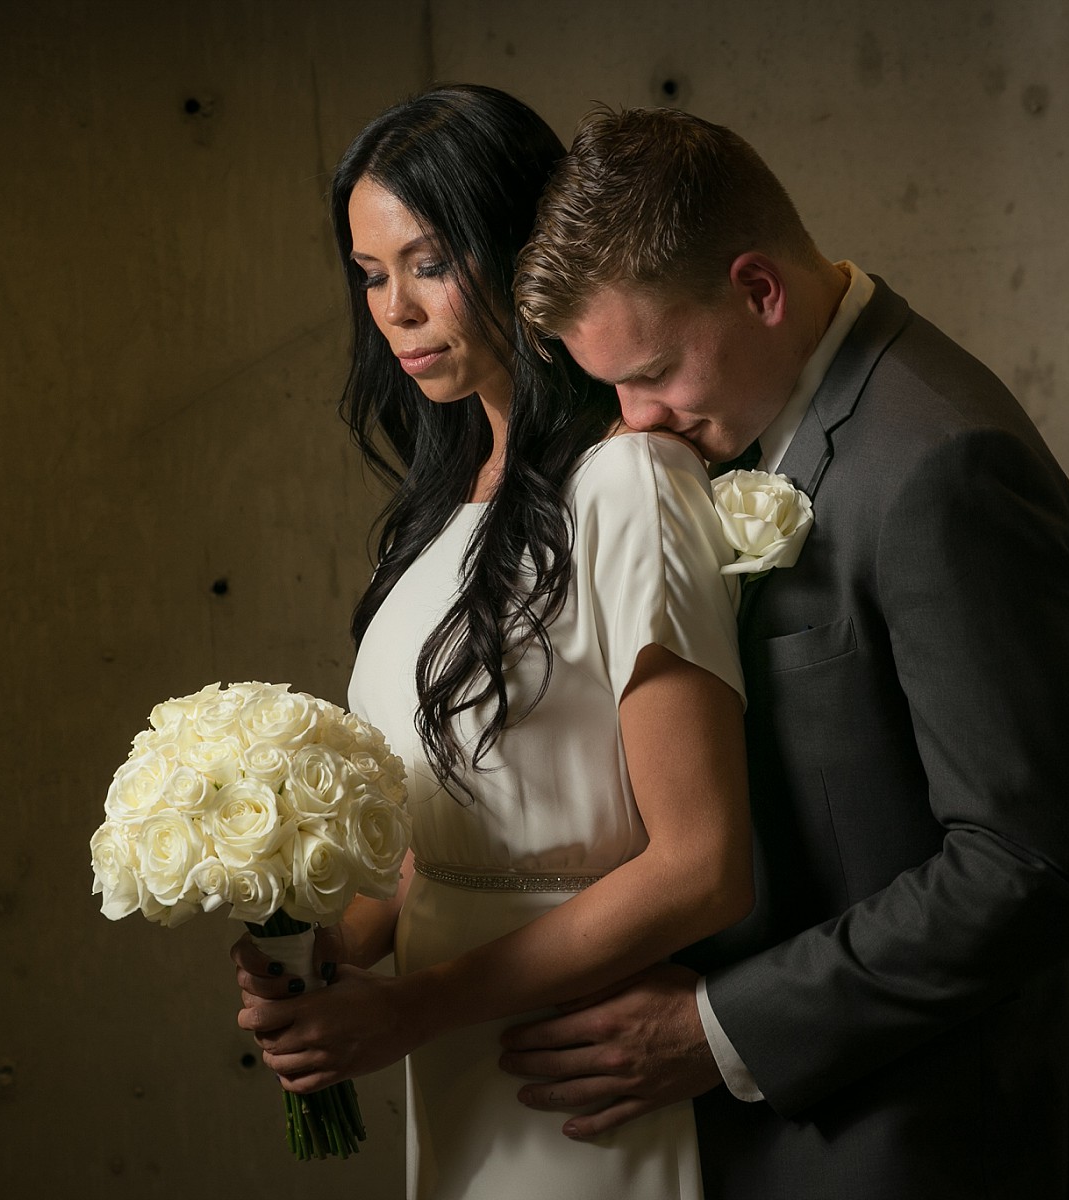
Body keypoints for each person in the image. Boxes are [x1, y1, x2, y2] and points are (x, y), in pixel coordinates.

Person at [502, 106, 1069, 1198]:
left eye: (653, 371)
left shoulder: (944, 462)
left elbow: (1038, 867)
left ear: (760, 291)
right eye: (611, 385)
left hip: (944, 1142)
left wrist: (717, 1029)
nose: (634, 422)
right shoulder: (761, 411)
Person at [227, 85, 754, 1199]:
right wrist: (317, 960)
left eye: (428, 262)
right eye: (370, 275)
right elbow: (435, 837)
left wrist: (411, 1008)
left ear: (518, 251)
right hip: (446, 1050)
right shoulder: (434, 520)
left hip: (578, 1060)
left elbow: (704, 867)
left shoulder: (629, 485)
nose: (395, 310)